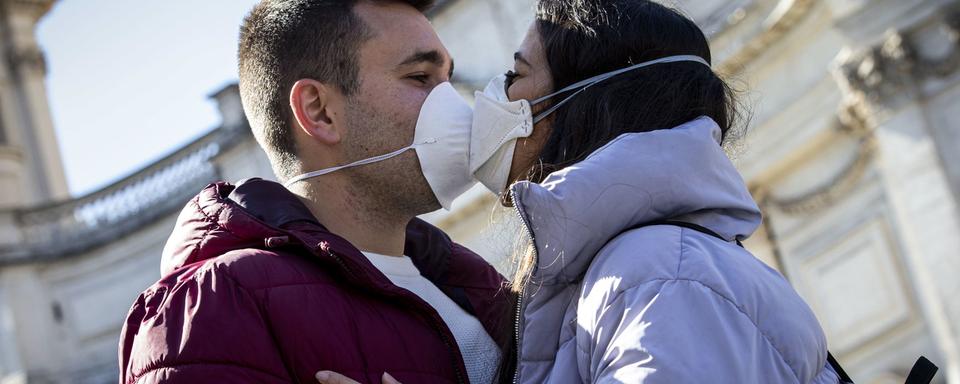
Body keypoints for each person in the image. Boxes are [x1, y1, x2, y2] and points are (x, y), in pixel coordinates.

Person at [319, 0, 844, 383]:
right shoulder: (644, 269)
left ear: (581, 102)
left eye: (514, 75)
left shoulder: (660, 275)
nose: (488, 102)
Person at [117, 1, 514, 383]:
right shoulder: (207, 310)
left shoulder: (481, 286)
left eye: (447, 78)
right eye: (420, 78)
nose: (456, 104)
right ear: (319, 111)